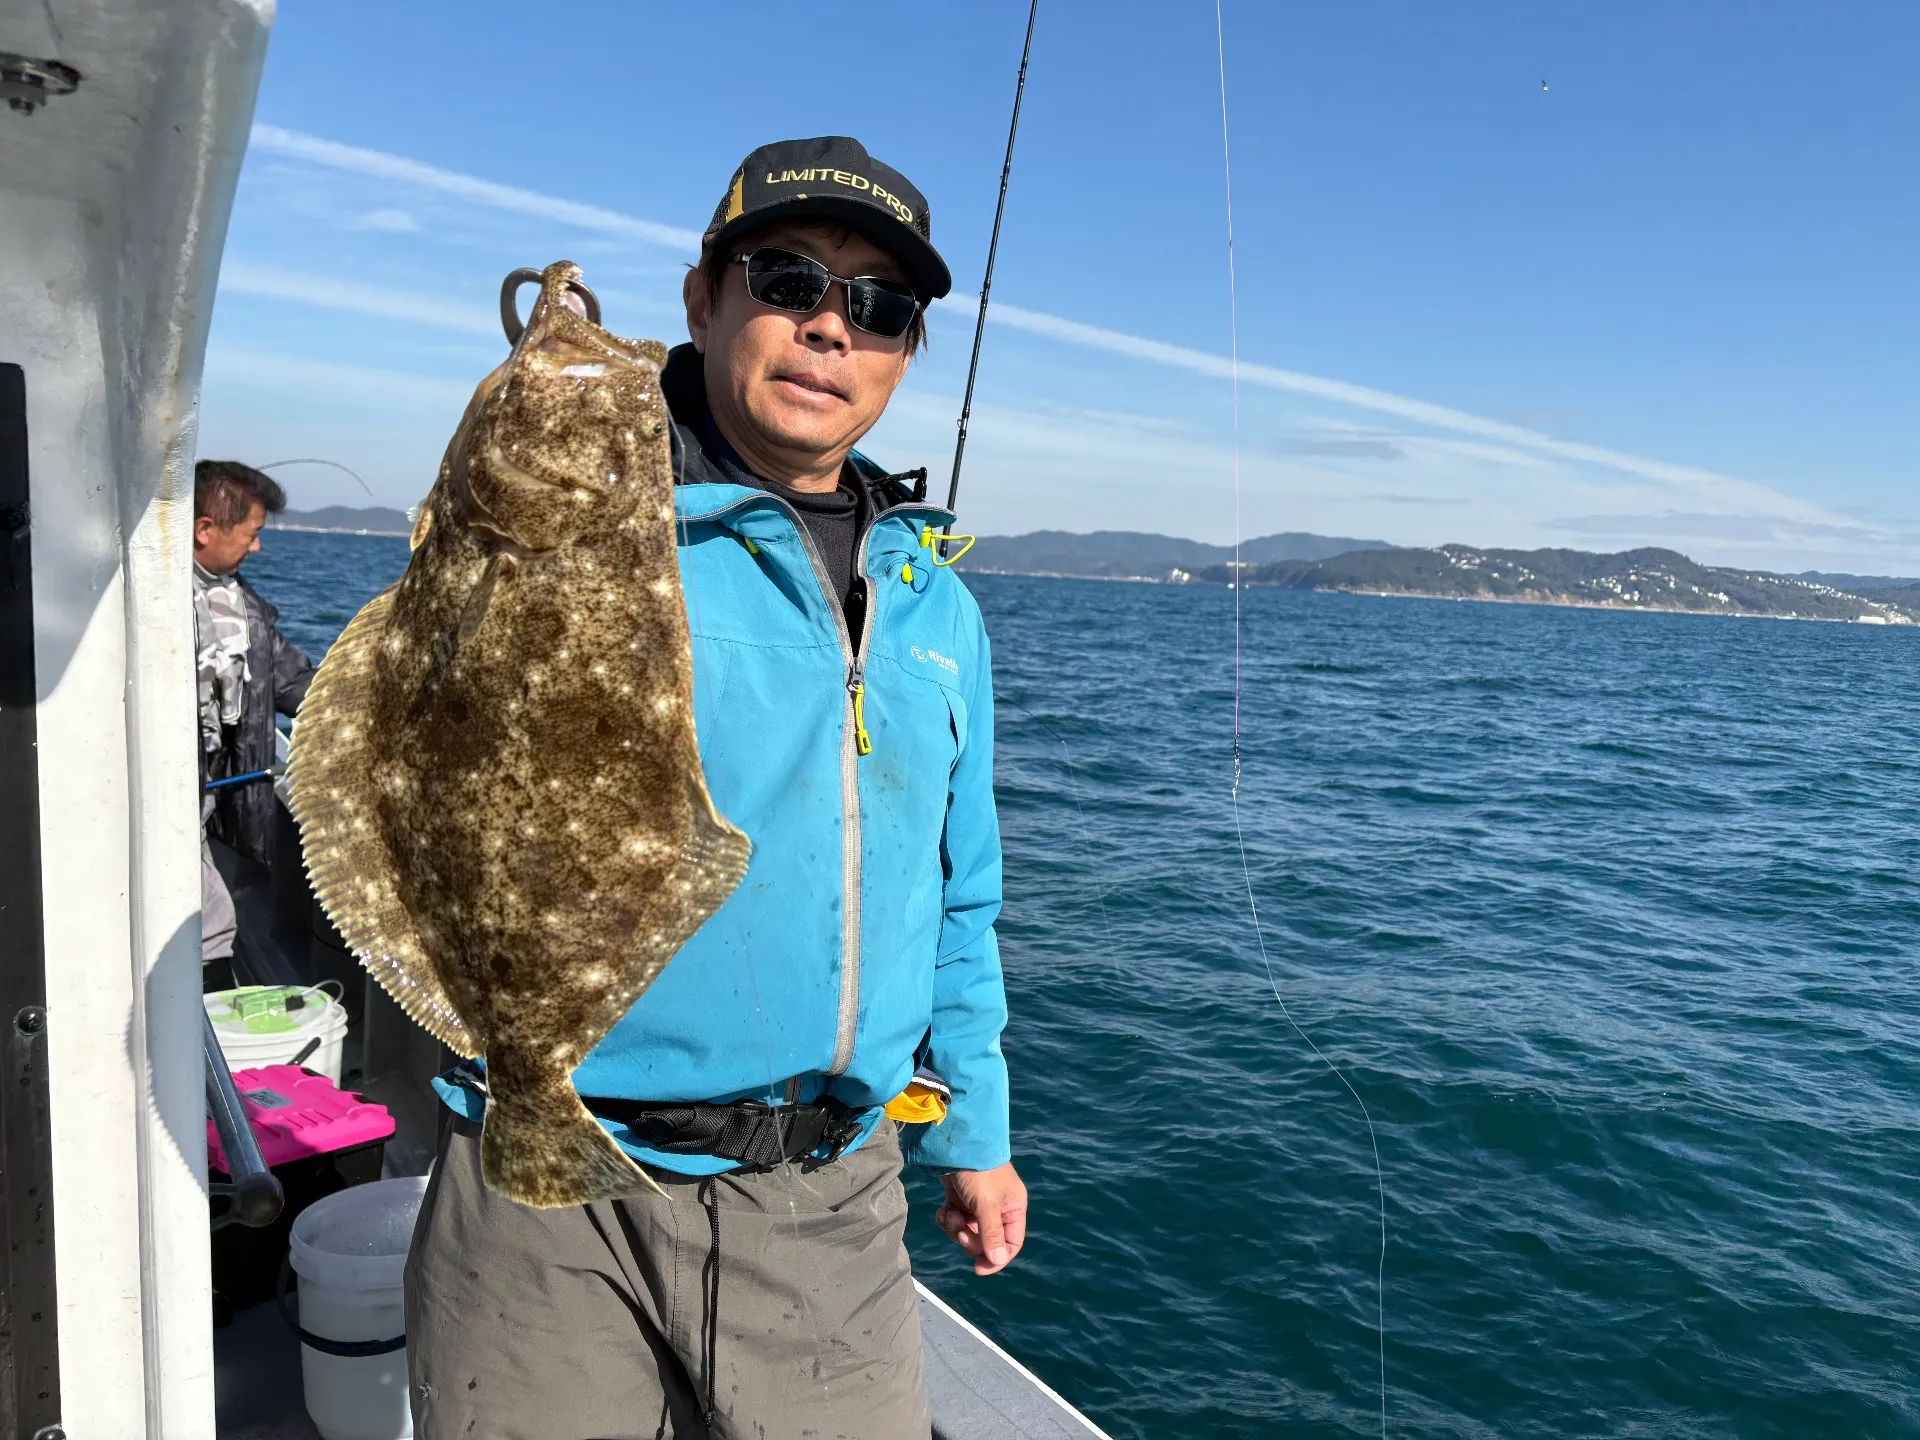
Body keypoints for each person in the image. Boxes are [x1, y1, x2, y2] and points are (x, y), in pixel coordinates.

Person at [406, 136, 1027, 1439]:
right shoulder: (584, 520)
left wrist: (976, 1130)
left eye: (878, 306)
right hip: (539, 1183)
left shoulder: (935, 607)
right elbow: (420, 749)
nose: (830, 326)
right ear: (702, 301)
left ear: (904, 352)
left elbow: (959, 897)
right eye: (788, 279)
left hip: (825, 1197)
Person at [193, 460, 316, 975]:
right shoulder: (145, 601)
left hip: (212, 795)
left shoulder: (244, 605)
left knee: (214, 917)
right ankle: (204, 1005)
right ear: (205, 529)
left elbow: (293, 681)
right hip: (161, 799)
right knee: (211, 929)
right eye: (252, 534)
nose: (258, 547)